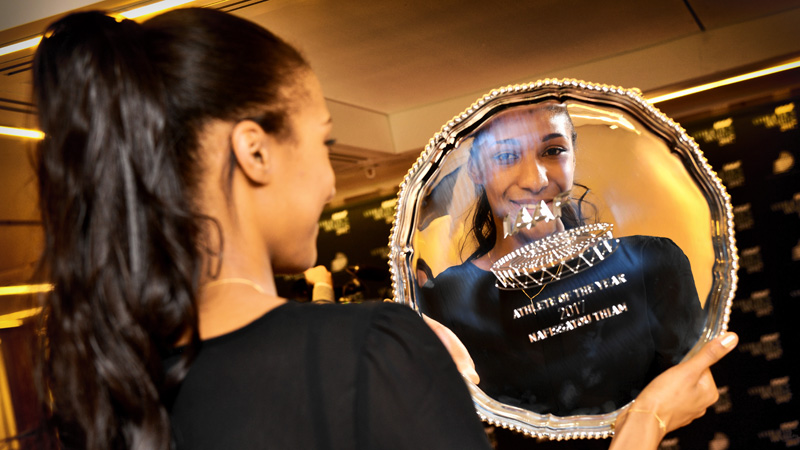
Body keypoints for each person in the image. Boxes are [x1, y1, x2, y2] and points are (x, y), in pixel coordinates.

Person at [27, 7, 734, 450]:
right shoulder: (373, 349)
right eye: (325, 143)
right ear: (255, 151)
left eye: (553, 149)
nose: (330, 182)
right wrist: (646, 424)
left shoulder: (118, 382)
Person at [419, 103, 705, 416]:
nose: (535, 180)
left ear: (573, 156)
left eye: (553, 151)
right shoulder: (444, 301)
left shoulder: (653, 261)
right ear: (476, 170)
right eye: (506, 156)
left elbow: (693, 394)